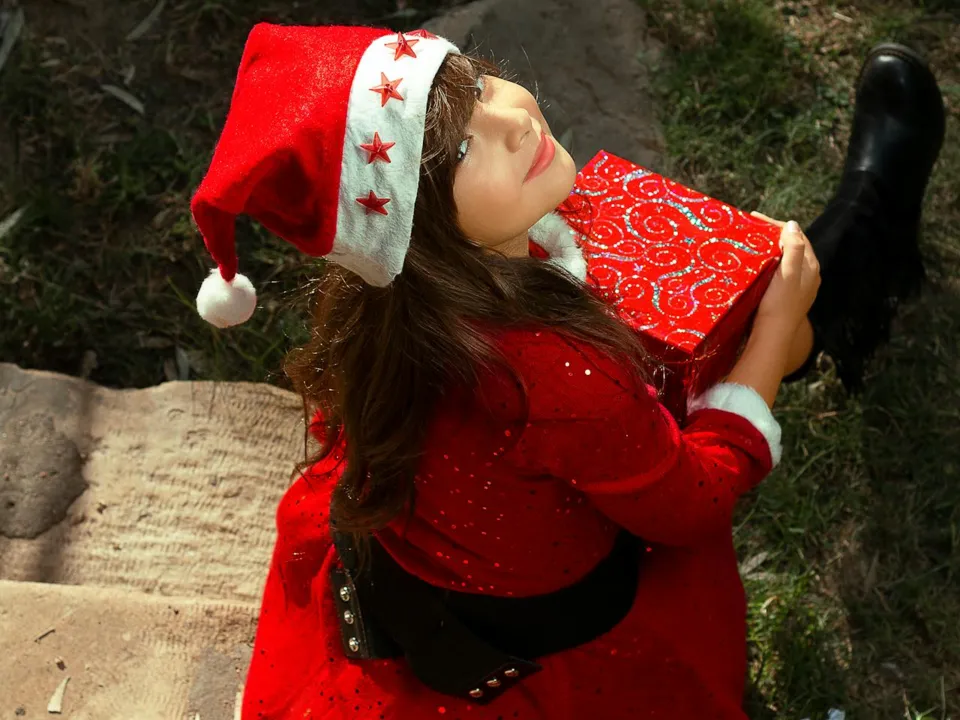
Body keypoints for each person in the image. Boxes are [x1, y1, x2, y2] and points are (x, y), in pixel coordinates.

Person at [189, 25, 945, 720]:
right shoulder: (555, 375)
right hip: (561, 650)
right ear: (411, 227)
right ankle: (852, 257)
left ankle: (850, 261)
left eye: (479, 84)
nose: (514, 120)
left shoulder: (378, 301)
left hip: (435, 583)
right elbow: (693, 500)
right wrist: (772, 333)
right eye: (462, 148)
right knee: (773, 318)